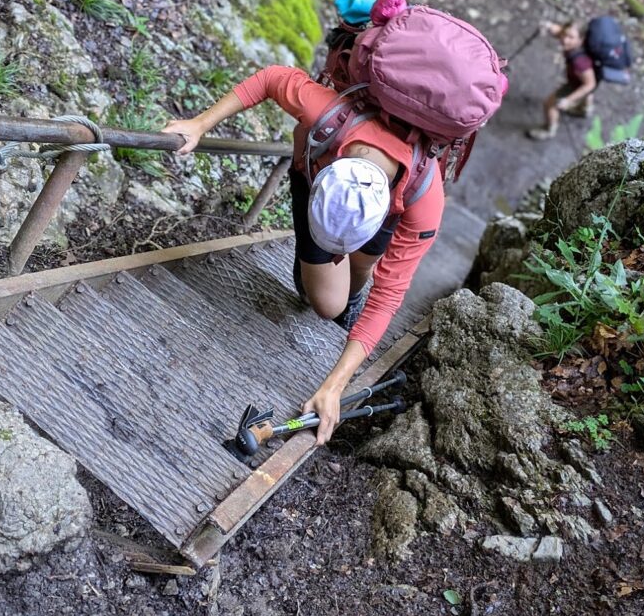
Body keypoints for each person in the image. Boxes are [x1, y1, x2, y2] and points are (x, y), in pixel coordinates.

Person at [161, 63, 444, 447]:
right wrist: (199, 123)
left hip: (391, 205)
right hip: (313, 174)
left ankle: (350, 294)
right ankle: (327, 289)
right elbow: (271, 77)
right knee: (325, 303)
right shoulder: (324, 113)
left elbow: (389, 295)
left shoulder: (423, 199)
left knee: (360, 274)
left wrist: (334, 385)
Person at [526, 20, 597, 141]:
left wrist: (568, 100)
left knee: (550, 104)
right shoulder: (578, 45)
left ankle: (548, 130)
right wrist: (549, 26)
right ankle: (585, 109)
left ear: (581, 39)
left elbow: (590, 84)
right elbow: (559, 31)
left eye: (570, 37)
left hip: (578, 83)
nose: (565, 39)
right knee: (587, 92)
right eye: (565, 34)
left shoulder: (580, 62)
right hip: (585, 77)